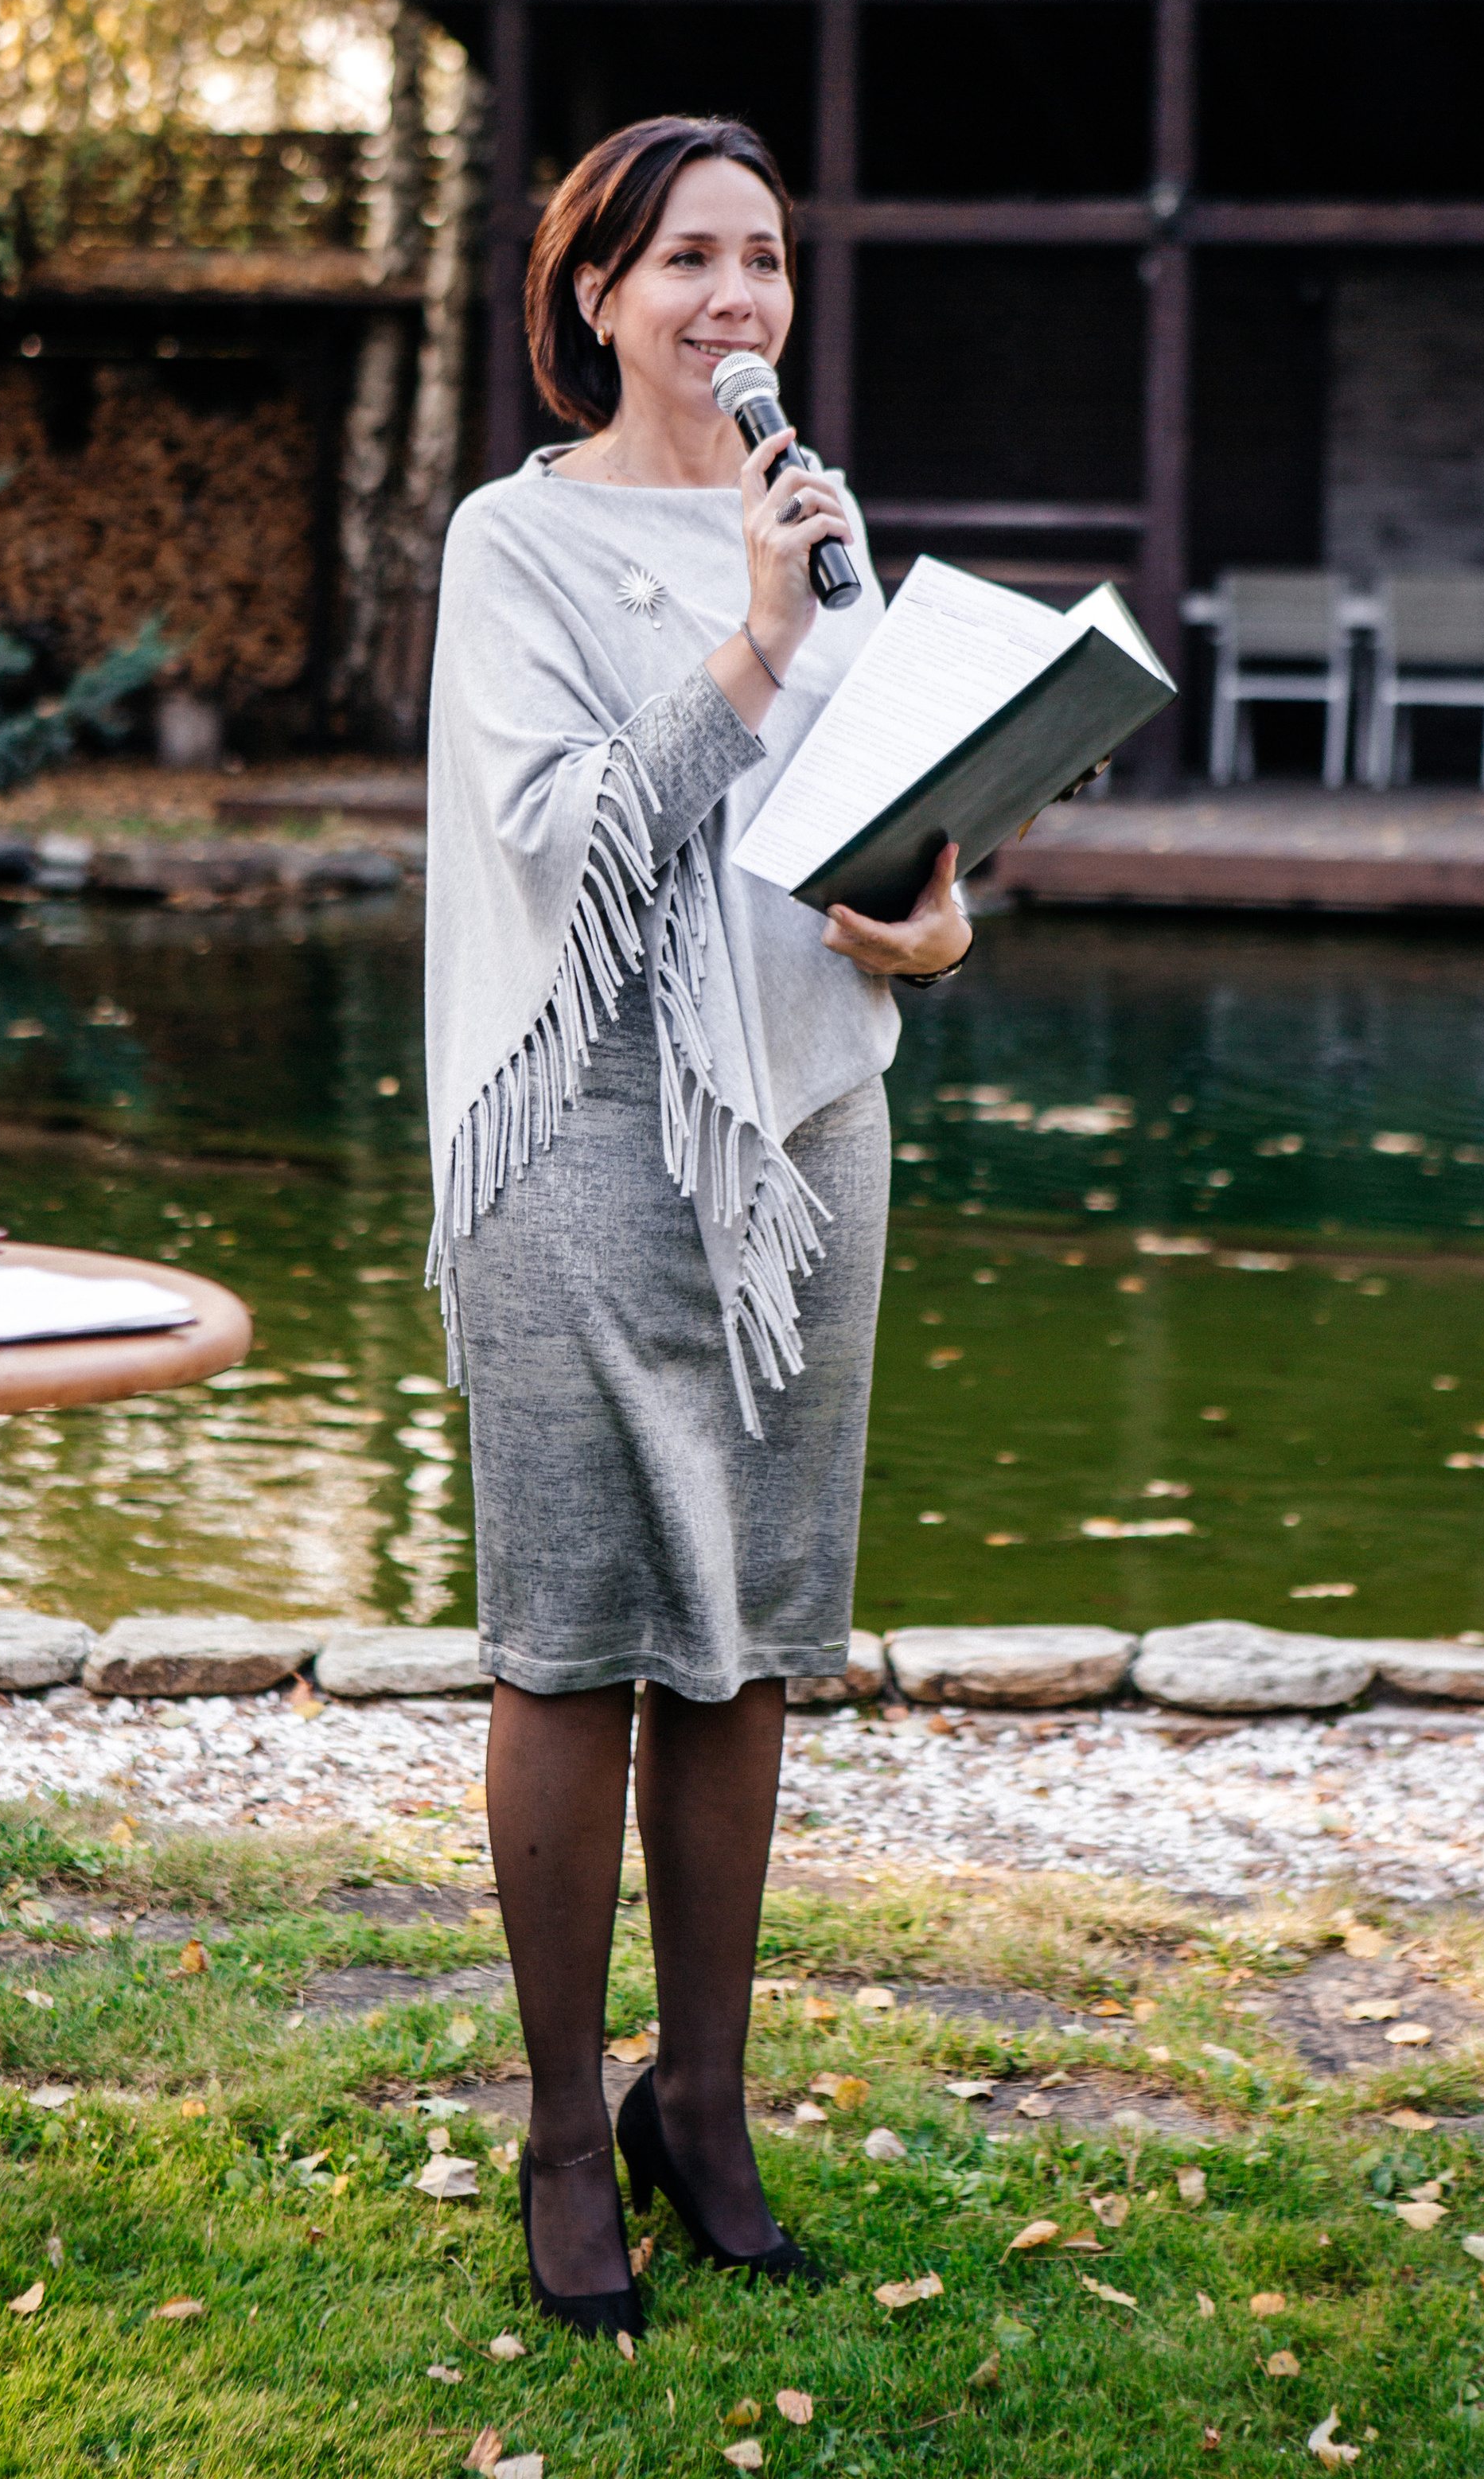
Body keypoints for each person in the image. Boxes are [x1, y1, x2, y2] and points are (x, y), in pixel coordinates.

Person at [423, 114, 972, 2337]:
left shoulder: (824, 539)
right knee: (574, 1640)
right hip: (582, 1138)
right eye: (687, 264)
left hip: (804, 1138)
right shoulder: (512, 542)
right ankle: (566, 2130)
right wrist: (749, 642)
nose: (736, 301)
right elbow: (566, 848)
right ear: (594, 297)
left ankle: (705, 2106)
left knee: (750, 1640)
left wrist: (935, 928)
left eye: (763, 258)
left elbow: (901, 832)